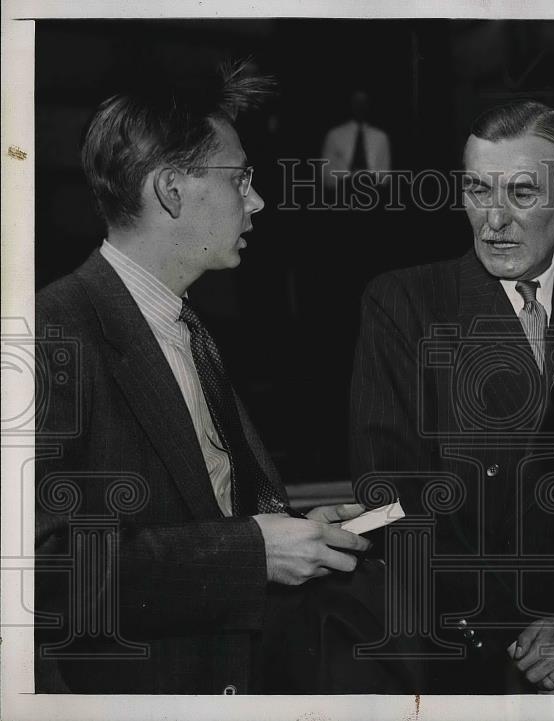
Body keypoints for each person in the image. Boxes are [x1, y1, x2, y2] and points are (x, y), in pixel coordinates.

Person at [34, 61, 401, 694]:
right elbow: (43, 571)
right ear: (171, 190)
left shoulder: (188, 329)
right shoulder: (52, 333)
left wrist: (296, 529)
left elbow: (204, 514)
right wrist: (254, 554)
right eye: (240, 178)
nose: (257, 199)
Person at [349, 100, 554, 694]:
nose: (494, 220)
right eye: (477, 190)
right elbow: (389, 491)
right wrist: (511, 634)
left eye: (520, 192)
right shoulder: (404, 303)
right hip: (461, 654)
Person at [320, 90, 392, 187]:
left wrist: (370, 180)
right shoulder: (334, 135)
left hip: (374, 193)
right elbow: (326, 175)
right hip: (341, 194)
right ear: (350, 105)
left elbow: (385, 176)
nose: (360, 107)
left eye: (364, 103)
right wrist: (349, 179)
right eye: (356, 102)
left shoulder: (381, 137)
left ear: (369, 105)